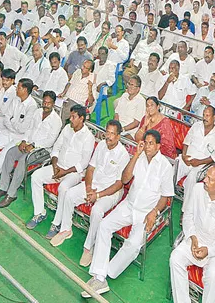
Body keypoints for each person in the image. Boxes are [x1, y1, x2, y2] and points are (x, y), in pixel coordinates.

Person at [83, 130, 174, 297]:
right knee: (104, 226)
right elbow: (125, 179)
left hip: (146, 212)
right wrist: (135, 156)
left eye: (151, 143)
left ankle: (106, 273)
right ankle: (99, 276)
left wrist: (155, 211)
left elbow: (166, 196)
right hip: (129, 205)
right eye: (145, 142)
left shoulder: (165, 167)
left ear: (158, 146)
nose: (147, 146)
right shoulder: (138, 159)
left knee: (132, 245)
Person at [49, 120, 128, 264]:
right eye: (107, 132)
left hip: (111, 192)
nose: (108, 136)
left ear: (118, 137)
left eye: (112, 134)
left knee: (97, 210)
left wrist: (97, 195)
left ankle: (88, 247)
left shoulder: (123, 155)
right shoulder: (102, 146)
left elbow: (118, 184)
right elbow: (90, 168)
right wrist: (88, 188)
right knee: (69, 195)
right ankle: (66, 229)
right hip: (94, 184)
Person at [170, 164, 215, 303]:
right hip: (195, 240)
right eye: (206, 176)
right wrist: (193, 238)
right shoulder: (197, 190)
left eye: (209, 179)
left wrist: (210, 251)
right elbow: (188, 216)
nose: (205, 180)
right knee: (175, 258)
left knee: (212, 276)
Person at [26, 105, 95, 231]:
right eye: (71, 116)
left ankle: (56, 223)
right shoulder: (67, 129)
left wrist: (64, 172)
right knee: (36, 176)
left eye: (74, 117)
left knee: (63, 188)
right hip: (58, 167)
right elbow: (56, 147)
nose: (70, 119)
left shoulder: (88, 137)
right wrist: (55, 165)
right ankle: (39, 212)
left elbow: (84, 163)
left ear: (81, 118)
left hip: (74, 173)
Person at [0, 90, 62, 208]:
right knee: (10, 153)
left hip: (43, 150)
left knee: (23, 161)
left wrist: (34, 145)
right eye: (44, 102)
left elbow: (50, 141)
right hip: (28, 143)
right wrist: (24, 141)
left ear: (53, 104)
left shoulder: (56, 121)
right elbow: (29, 128)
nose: (46, 105)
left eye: (49, 103)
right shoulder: (37, 112)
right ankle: (3, 188)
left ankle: (11, 194)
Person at [0, 77, 39, 192]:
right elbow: (6, 118)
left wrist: (12, 122)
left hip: (21, 137)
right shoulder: (15, 99)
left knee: (4, 154)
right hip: (8, 131)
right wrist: (13, 124)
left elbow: (23, 129)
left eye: (19, 87)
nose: (16, 89)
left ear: (25, 90)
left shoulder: (32, 106)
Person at [178, 106, 215, 213]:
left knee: (191, 178)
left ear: (214, 117)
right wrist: (184, 155)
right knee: (174, 168)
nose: (204, 118)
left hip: (202, 165)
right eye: (203, 115)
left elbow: (214, 158)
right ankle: (165, 198)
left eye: (207, 115)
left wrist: (199, 162)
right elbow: (186, 142)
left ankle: (185, 211)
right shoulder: (196, 126)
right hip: (188, 158)